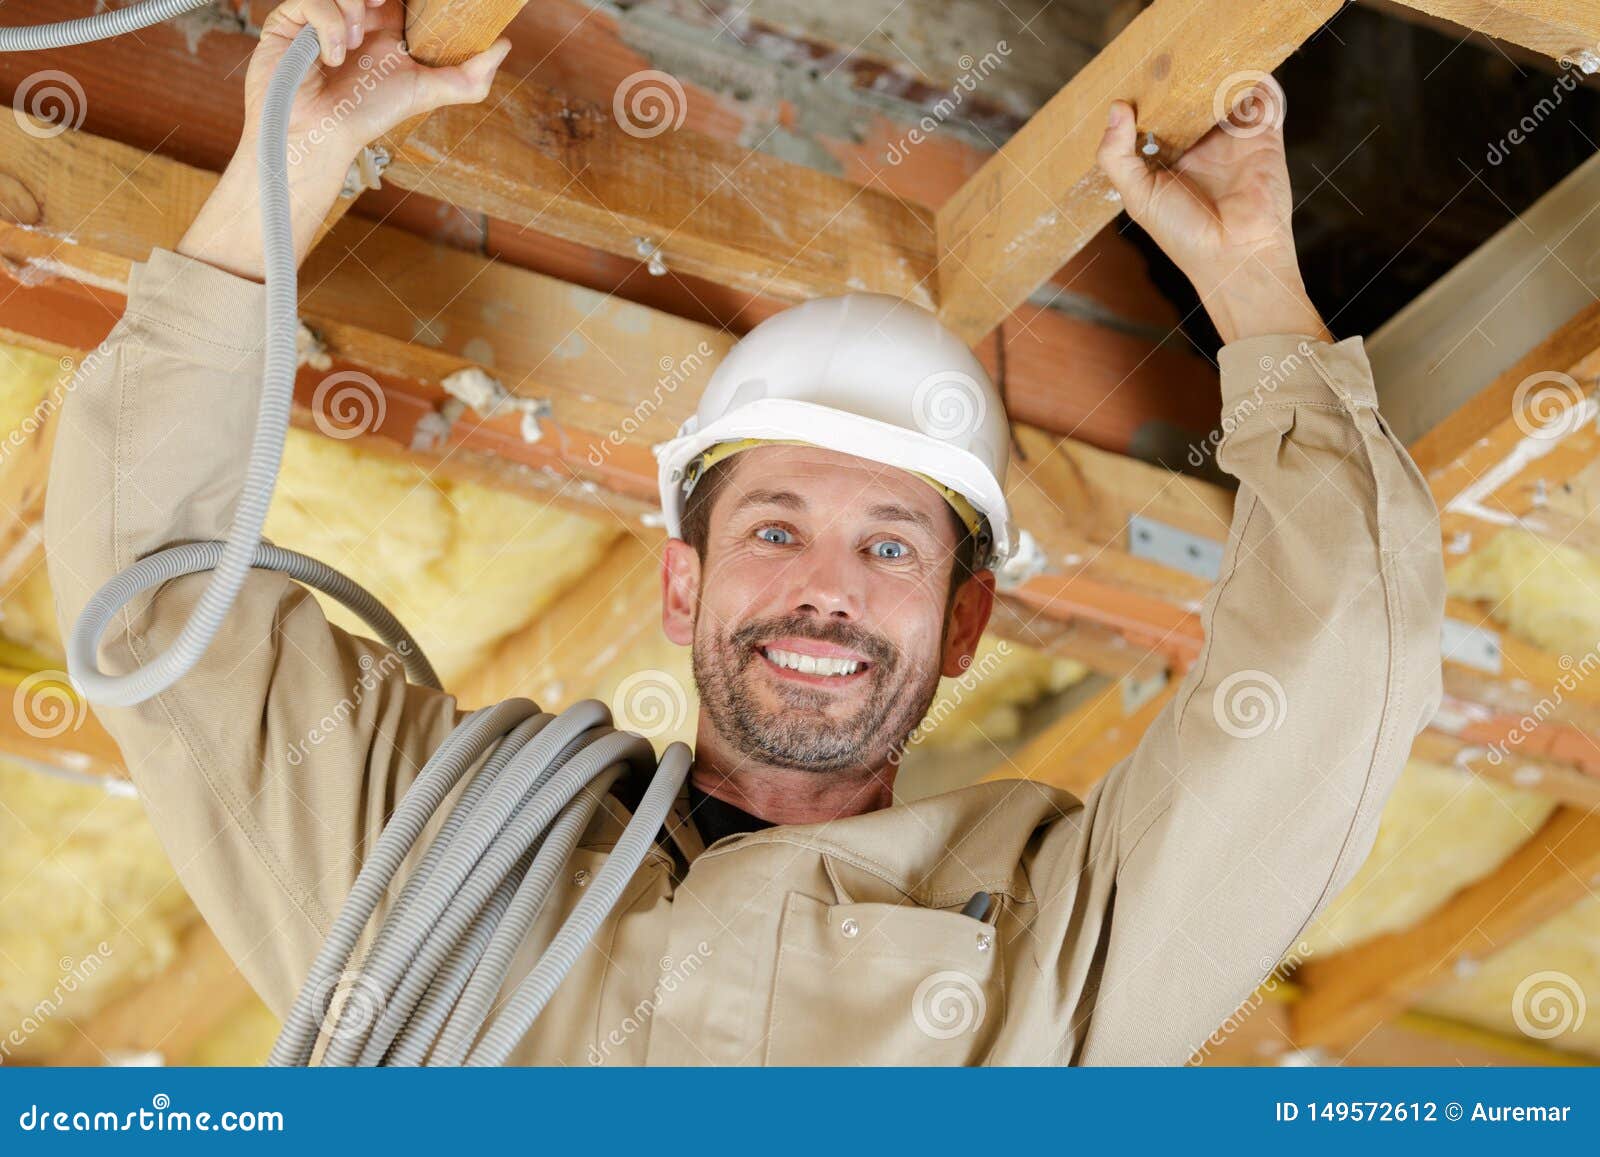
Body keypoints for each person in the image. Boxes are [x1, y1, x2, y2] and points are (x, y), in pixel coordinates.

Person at [45, 0, 1444, 1065]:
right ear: (680, 580)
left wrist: (1256, 287)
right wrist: (288, 167)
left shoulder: (1047, 953)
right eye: (774, 527)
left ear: (962, 623)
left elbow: (1330, 693)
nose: (823, 590)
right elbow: (151, 606)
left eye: (892, 545)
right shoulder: (422, 864)